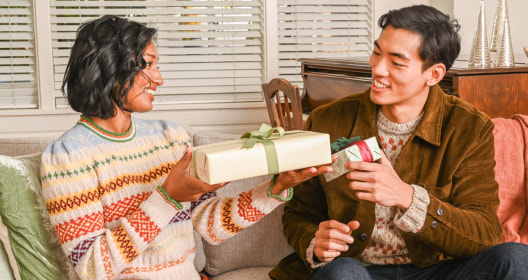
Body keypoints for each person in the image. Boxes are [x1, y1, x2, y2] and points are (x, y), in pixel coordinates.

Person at [40, 15, 332, 280]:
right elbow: (92, 268)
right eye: (148, 65)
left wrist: (274, 189)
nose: (159, 78)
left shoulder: (170, 137)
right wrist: (167, 198)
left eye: (158, 65)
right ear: (109, 65)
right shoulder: (67, 157)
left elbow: (210, 226)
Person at [269, 5, 528, 280]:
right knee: (342, 273)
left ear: (434, 74)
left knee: (519, 258)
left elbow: (483, 233)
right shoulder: (326, 120)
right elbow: (298, 213)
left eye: (396, 62)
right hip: (359, 269)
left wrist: (407, 197)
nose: (377, 69)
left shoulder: (470, 128)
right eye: (377, 52)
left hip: (437, 270)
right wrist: (314, 243)